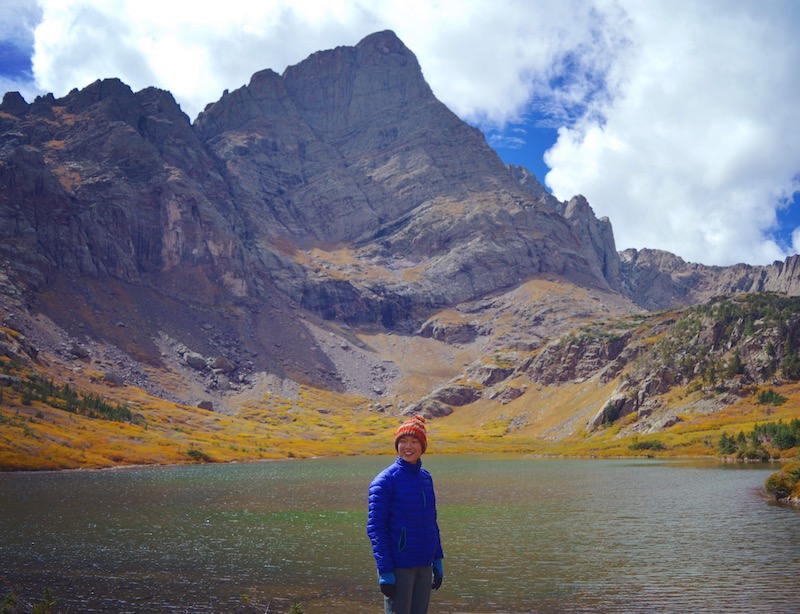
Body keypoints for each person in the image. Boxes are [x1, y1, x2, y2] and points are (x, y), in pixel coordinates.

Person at [367, 415, 444, 614]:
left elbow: (431, 523)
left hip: (424, 564)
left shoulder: (426, 478)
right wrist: (385, 572)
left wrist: (437, 559)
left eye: (414, 442)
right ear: (397, 445)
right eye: (403, 441)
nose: (408, 447)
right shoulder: (384, 481)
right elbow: (376, 529)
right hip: (399, 567)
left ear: (423, 446)